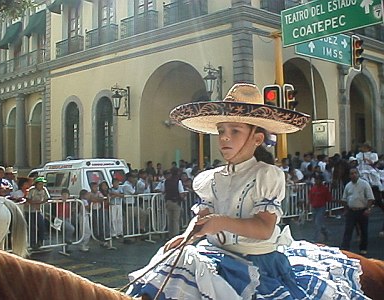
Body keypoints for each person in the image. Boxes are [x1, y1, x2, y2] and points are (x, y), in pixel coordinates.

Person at [127, 83, 369, 299]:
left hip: (257, 265)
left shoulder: (266, 174)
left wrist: (220, 222)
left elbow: (264, 228)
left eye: (235, 131)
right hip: (216, 256)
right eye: (222, 131)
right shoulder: (210, 178)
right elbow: (202, 217)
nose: (224, 139)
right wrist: (187, 236)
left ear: (256, 138)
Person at [340, 168, 375, 255]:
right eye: (351, 173)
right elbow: (344, 199)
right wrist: (346, 209)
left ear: (358, 174)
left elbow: (370, 198)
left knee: (364, 230)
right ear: (349, 175)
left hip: (362, 210)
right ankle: (345, 248)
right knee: (348, 230)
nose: (353, 175)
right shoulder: (348, 185)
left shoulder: (364, 184)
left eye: (355, 173)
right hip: (351, 211)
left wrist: (368, 209)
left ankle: (363, 248)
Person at [26, 177, 50, 250]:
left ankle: (40, 242)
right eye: (40, 184)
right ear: (36, 184)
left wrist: (40, 203)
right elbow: (28, 199)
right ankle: (32, 243)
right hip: (30, 211)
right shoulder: (32, 190)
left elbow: (47, 198)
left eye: (42, 184)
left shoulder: (44, 190)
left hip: (39, 211)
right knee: (32, 228)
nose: (41, 186)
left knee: (42, 226)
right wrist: (35, 203)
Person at [308, 174, 331, 242]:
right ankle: (326, 232)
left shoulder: (325, 189)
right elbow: (310, 197)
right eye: (316, 180)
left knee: (317, 223)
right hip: (314, 207)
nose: (317, 181)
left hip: (321, 207)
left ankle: (315, 239)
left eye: (318, 180)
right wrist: (308, 204)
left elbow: (328, 198)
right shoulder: (313, 188)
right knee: (318, 223)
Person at [56, 188, 75, 252]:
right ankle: (68, 240)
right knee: (71, 228)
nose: (64, 196)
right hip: (59, 219)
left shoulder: (69, 201)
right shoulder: (59, 201)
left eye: (66, 194)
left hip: (67, 218)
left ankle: (65, 249)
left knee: (65, 233)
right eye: (63, 195)